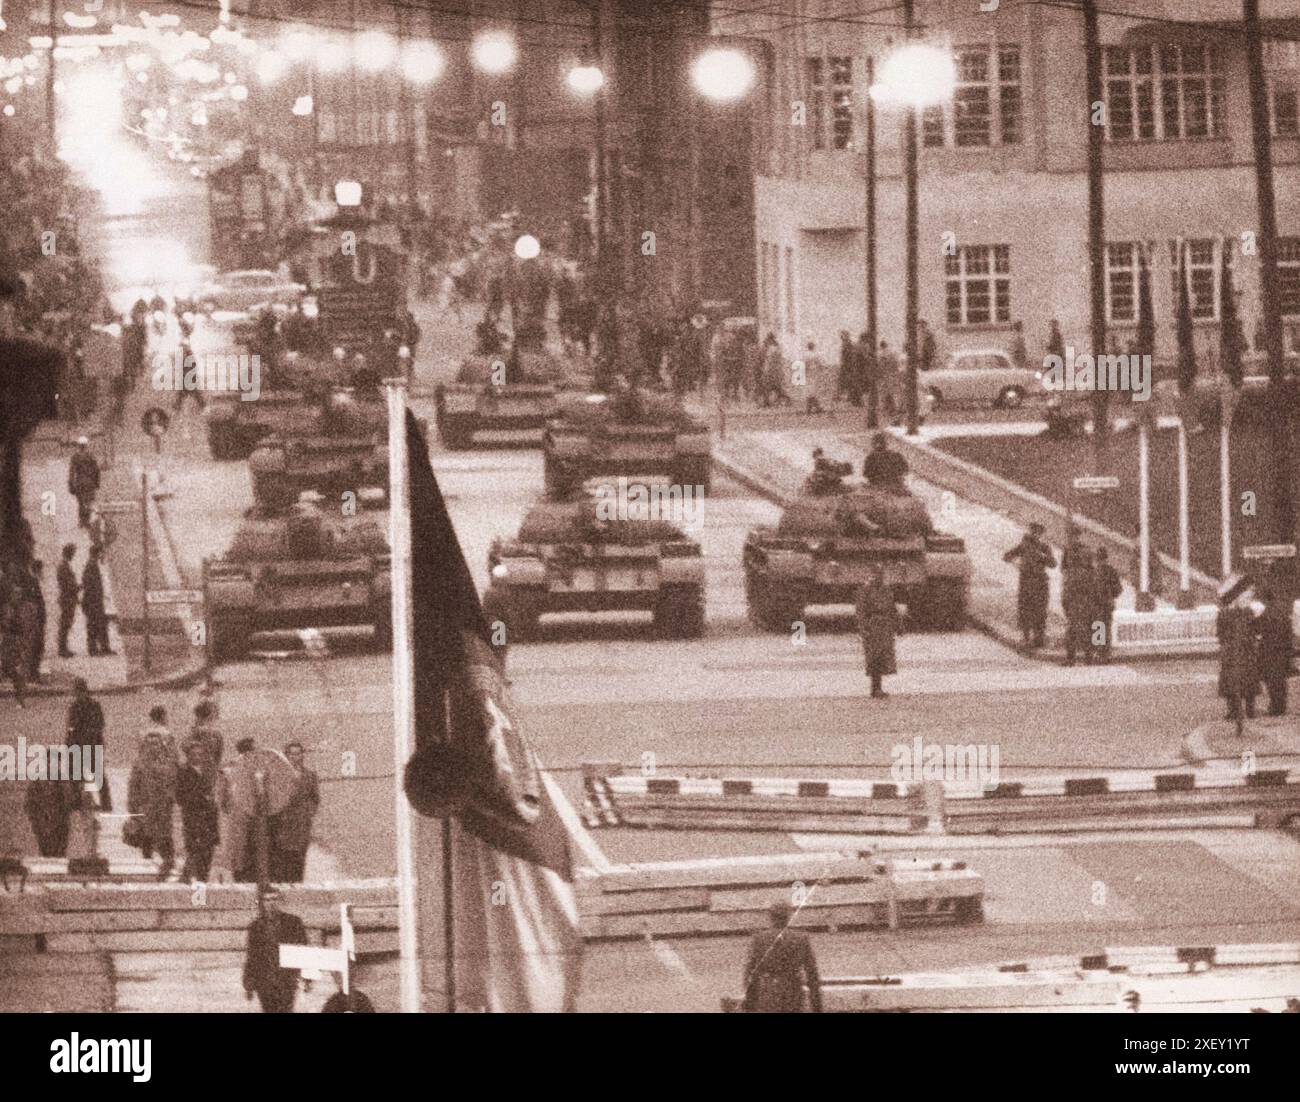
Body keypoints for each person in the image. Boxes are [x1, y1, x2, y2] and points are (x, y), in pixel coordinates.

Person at [127, 706, 179, 881]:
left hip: (145, 788)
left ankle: (147, 864)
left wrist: (134, 793)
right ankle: (167, 862)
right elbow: (173, 762)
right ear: (163, 716)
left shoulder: (143, 735)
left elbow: (139, 763)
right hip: (162, 789)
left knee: (147, 826)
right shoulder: (167, 735)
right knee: (164, 827)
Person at [741, 900, 822, 1013]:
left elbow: (751, 973)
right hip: (793, 990)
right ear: (789, 917)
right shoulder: (801, 939)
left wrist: (749, 1005)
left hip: (768, 992)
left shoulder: (759, 939)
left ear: (770, 917)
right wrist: (817, 1006)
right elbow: (812, 974)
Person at [242, 889, 309, 1013]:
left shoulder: (294, 923)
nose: (271, 903)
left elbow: (304, 951)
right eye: (267, 900)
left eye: (274, 899)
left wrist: (307, 978)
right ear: (262, 903)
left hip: (287, 980)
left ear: (280, 901)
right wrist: (248, 985)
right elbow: (252, 956)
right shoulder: (255, 926)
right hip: (264, 981)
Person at [1217, 578, 1261, 735]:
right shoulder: (1246, 613)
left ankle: (1236, 710)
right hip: (1244, 651)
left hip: (1234, 652)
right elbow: (1255, 630)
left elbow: (1220, 635)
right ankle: (1247, 709)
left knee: (1232, 680)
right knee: (1246, 679)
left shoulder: (1225, 614)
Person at [271, 742, 320, 883]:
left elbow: (315, 799)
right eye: (292, 754)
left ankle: (298, 887)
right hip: (283, 825)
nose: (296, 757)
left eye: (299, 753)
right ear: (286, 756)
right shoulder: (278, 776)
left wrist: (307, 814)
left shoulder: (310, 776)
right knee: (283, 860)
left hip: (301, 825)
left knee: (299, 859)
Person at [1003, 523, 1055, 650]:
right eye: (1034, 532)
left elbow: (1053, 563)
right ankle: (1026, 637)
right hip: (1026, 582)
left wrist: (1043, 556)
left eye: (1038, 533)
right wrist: (1017, 563)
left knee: (1040, 611)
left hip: (1040, 583)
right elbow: (1007, 556)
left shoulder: (1044, 547)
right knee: (1025, 610)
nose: (1036, 535)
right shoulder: (1024, 545)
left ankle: (1039, 639)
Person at [176, 743, 219, 884]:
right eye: (194, 754)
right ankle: (189, 880)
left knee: (208, 850)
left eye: (200, 754)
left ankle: (199, 882)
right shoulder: (183, 773)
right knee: (194, 848)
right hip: (193, 816)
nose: (197, 757)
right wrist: (201, 798)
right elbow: (180, 796)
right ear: (188, 756)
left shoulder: (208, 772)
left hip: (209, 817)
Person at [66, 678, 110, 812]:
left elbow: (71, 728)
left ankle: (78, 802)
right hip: (90, 744)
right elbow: (100, 724)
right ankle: (105, 803)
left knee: (81, 774)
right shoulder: (94, 705)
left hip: (84, 745)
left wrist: (69, 743)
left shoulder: (76, 707)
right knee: (94, 775)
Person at [854, 566, 898, 699]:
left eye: (881, 574)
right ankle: (875, 688)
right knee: (874, 657)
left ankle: (878, 688)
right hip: (873, 625)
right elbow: (861, 611)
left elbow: (892, 608)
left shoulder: (886, 589)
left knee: (884, 656)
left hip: (885, 626)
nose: (879, 577)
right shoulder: (865, 590)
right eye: (876, 574)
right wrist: (863, 628)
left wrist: (898, 625)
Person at [1254, 587, 1292, 718]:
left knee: (1271, 680)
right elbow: (1289, 632)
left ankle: (1275, 707)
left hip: (1270, 651)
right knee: (1280, 680)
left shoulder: (1267, 612)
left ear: (1265, 599)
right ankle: (1281, 706)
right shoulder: (1282, 611)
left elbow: (1257, 628)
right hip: (1282, 651)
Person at [1061, 534, 1097, 666]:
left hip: (1075, 604)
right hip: (1087, 604)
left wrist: (1065, 605)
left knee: (1072, 630)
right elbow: (1095, 590)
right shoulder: (1091, 573)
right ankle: (1089, 657)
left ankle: (1071, 658)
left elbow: (1066, 594)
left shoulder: (1072, 575)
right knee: (1088, 628)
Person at [182, 700, 224, 798]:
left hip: (194, 769)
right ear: (210, 715)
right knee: (209, 797)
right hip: (210, 768)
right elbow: (219, 754)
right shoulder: (216, 733)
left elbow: (184, 747)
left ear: (198, 716)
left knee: (194, 797)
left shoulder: (194, 731)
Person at [24, 778, 73, 857]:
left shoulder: (63, 783)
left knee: (56, 848)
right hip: (45, 820)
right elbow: (29, 806)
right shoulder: (37, 784)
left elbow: (69, 802)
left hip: (56, 821)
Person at [81, 545, 113, 656]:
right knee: (93, 625)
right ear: (97, 553)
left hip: (97, 600)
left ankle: (104, 647)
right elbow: (89, 585)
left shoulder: (94, 564)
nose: (103, 555)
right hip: (93, 601)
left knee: (101, 624)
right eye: (101, 552)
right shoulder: (91, 565)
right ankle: (93, 649)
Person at [1092, 548, 1122, 661]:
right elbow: (1118, 588)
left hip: (1103, 603)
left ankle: (1102, 653)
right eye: (1099, 559)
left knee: (1102, 626)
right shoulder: (1100, 571)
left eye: (1101, 559)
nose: (1100, 562)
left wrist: (1109, 593)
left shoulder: (1106, 571)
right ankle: (1102, 652)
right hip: (1101, 603)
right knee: (1102, 626)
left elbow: (1118, 588)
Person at [68, 437, 100, 529]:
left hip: (80, 482)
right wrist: (97, 483)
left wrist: (71, 485)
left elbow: (72, 472)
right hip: (90, 483)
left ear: (79, 446)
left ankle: (82, 521)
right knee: (89, 502)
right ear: (86, 445)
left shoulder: (75, 457)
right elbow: (97, 470)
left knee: (81, 502)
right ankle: (87, 521)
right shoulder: (91, 456)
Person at [56, 543, 79, 657]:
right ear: (68, 553)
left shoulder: (65, 565)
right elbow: (67, 584)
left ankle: (64, 647)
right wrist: (77, 587)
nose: (73, 555)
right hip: (67, 598)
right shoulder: (63, 566)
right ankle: (62, 649)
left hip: (68, 598)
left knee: (66, 623)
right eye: (72, 553)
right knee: (65, 623)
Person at [25, 560, 46, 682]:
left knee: (37, 647)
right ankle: (32, 674)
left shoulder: (33, 581)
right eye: (40, 570)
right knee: (35, 647)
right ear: (37, 570)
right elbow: (33, 604)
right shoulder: (31, 582)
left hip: (37, 621)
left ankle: (33, 673)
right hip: (34, 621)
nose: (42, 572)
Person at [876, 340, 901, 423]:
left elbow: (881, 367)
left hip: (885, 376)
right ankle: (894, 409)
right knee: (892, 393)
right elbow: (896, 365)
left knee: (885, 393)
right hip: (893, 375)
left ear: (881, 346)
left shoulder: (882, 355)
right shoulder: (893, 353)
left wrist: (880, 376)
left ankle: (889, 410)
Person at [801, 338, 828, 414]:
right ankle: (815, 407)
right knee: (813, 390)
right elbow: (820, 364)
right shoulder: (815, 355)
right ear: (813, 347)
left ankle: (811, 407)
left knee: (809, 390)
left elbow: (804, 365)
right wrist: (823, 370)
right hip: (814, 373)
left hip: (808, 373)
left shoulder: (805, 355)